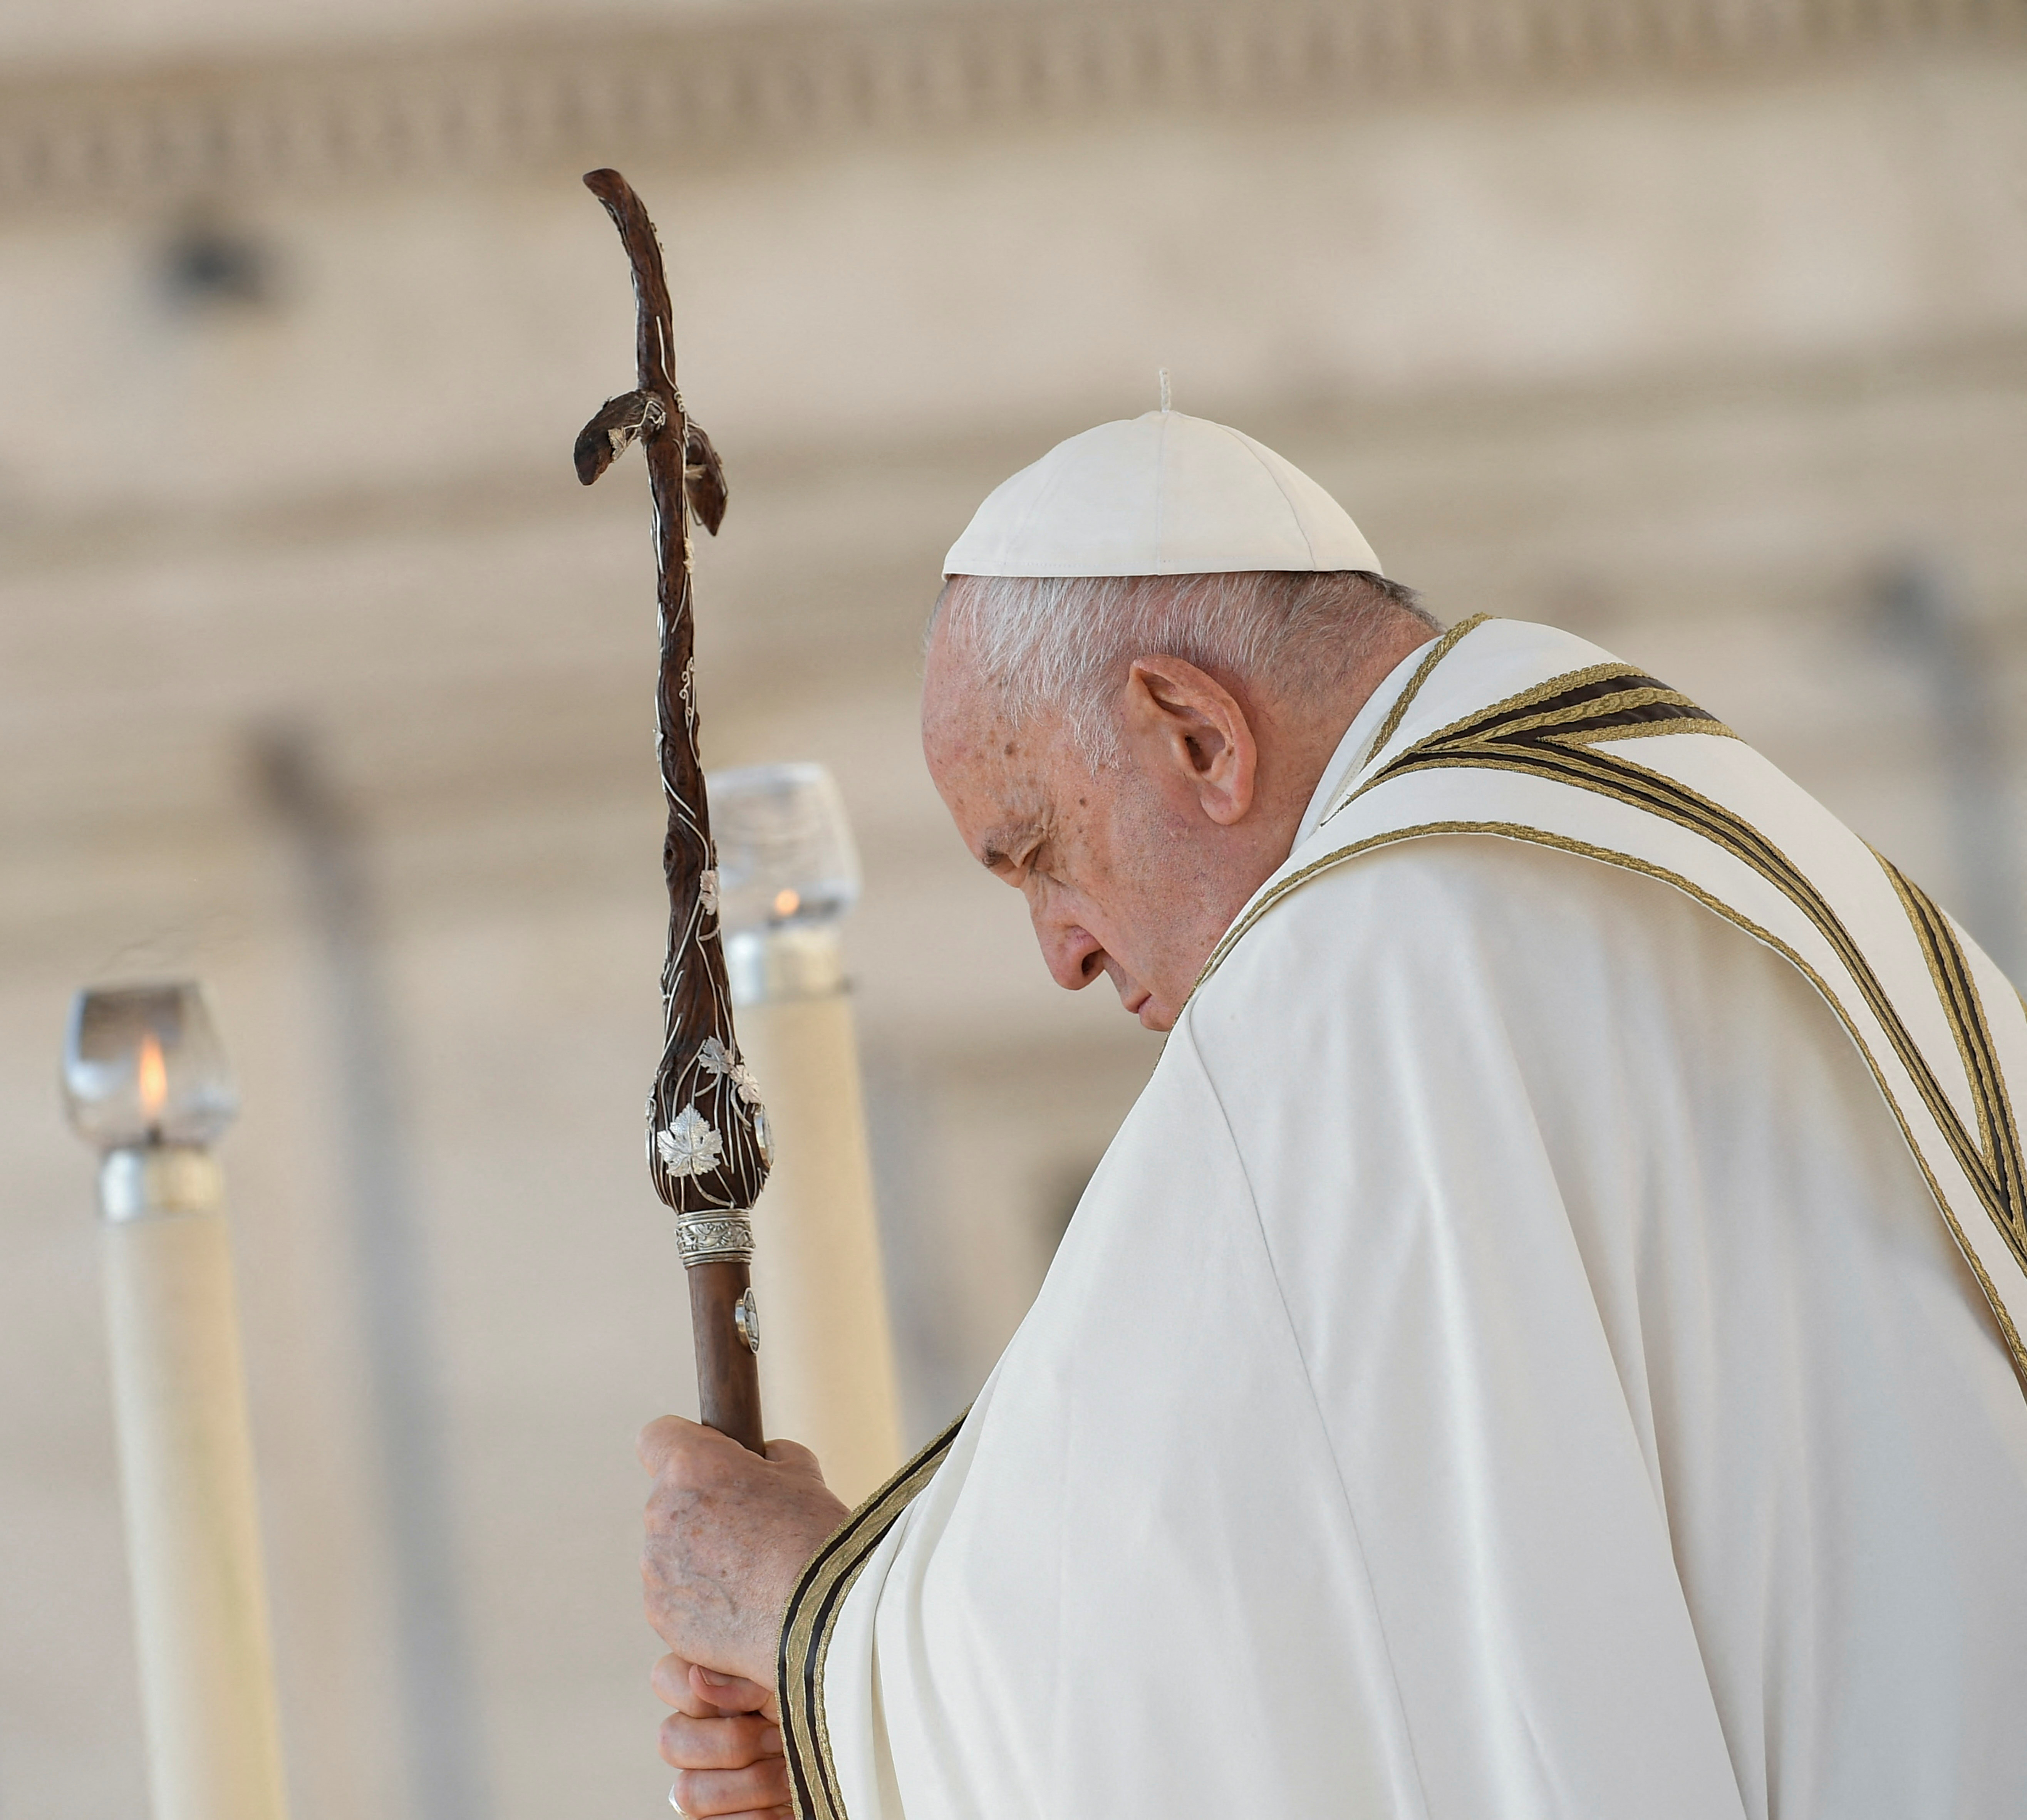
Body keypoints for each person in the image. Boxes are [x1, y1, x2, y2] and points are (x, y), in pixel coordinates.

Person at [638, 409, 2027, 1819]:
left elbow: (1199, 1647)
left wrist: (815, 1634)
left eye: (1042, 853)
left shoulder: (1369, 962)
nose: (1062, 953)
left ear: (1197, 736)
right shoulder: (1697, 827)